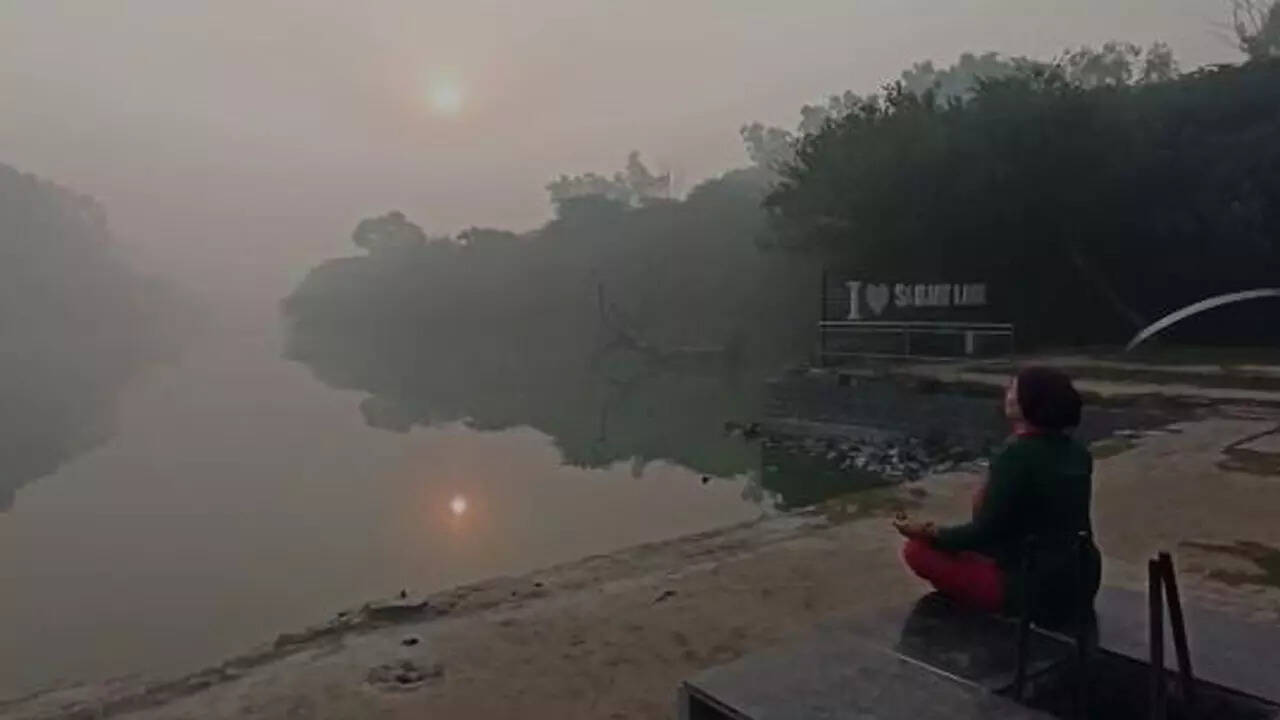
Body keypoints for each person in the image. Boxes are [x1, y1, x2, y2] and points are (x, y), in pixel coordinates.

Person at [894, 366, 1101, 622]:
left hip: (1031, 590)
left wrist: (930, 532)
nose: (1007, 393)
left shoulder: (1016, 456)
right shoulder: (1078, 453)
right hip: (1082, 579)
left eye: (1013, 388)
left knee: (916, 551)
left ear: (1028, 401)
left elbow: (984, 532)